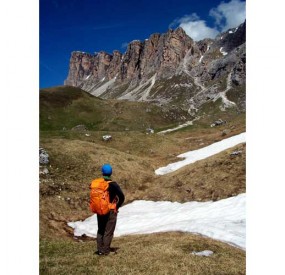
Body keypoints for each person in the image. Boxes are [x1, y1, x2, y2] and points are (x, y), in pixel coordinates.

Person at [95, 164, 125, 256]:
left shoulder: (98, 184)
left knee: (101, 230)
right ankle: (106, 251)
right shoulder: (113, 184)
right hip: (111, 210)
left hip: (100, 210)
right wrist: (117, 206)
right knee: (108, 231)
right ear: (111, 173)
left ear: (102, 172)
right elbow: (122, 197)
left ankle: (100, 250)